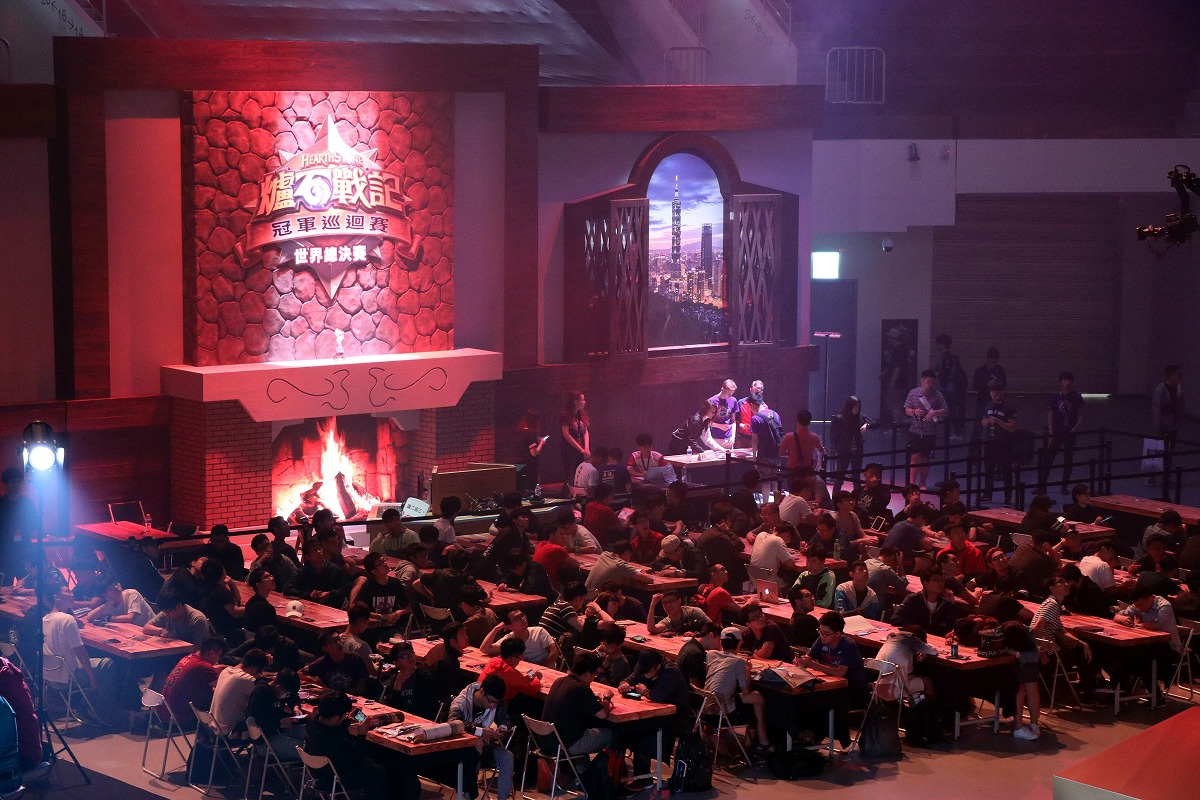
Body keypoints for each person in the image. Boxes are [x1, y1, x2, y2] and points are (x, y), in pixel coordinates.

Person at [796, 612, 869, 747]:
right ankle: (807, 734)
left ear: (837, 634)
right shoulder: (821, 640)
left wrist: (813, 665)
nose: (822, 636)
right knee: (804, 697)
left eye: (826, 633)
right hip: (832, 687)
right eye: (820, 631)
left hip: (853, 691)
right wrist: (801, 662)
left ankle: (819, 736)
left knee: (820, 702)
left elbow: (840, 672)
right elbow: (809, 658)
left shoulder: (848, 645)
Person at [304, 692, 392, 800]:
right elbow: (355, 760)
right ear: (335, 717)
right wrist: (361, 734)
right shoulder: (332, 740)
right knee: (378, 771)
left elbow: (332, 729)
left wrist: (345, 722)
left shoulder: (312, 722)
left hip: (317, 772)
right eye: (343, 715)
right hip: (334, 778)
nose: (344, 717)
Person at [619, 651, 692, 775]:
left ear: (657, 667)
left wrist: (644, 691)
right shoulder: (644, 667)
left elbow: (658, 695)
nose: (644, 674)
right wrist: (624, 685)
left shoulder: (670, 671)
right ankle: (619, 770)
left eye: (647, 672)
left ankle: (642, 775)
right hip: (652, 713)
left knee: (639, 731)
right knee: (623, 727)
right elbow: (628, 679)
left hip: (675, 718)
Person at [705, 627, 770, 754]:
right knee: (757, 697)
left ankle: (756, 741)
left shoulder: (711, 654)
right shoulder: (739, 662)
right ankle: (762, 741)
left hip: (704, 708)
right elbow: (746, 691)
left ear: (721, 642)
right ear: (739, 643)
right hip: (721, 712)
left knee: (750, 697)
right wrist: (746, 670)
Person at [449, 675, 515, 800]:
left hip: (482, 747)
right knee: (477, 744)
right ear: (482, 692)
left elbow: (505, 720)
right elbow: (453, 724)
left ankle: (503, 798)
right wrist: (480, 732)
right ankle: (469, 795)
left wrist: (503, 728)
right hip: (461, 748)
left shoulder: (494, 700)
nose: (492, 706)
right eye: (491, 701)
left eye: (496, 703)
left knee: (507, 757)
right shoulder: (461, 702)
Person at [1033, 576, 1097, 702]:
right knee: (1084, 654)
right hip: (1049, 655)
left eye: (1066, 582)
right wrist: (1043, 654)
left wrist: (1082, 643)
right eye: (1061, 582)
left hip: (1046, 651)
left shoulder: (1054, 604)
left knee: (1082, 648)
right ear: (1052, 588)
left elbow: (1062, 631)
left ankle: (1088, 689)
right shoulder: (1052, 605)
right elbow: (1036, 629)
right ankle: (1088, 695)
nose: (1066, 584)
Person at [1114, 585, 1182, 700]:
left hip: (1168, 647)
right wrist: (1123, 619)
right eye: (1136, 605)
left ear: (1151, 598)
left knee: (1141, 658)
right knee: (1123, 652)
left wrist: (1138, 625)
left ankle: (1153, 695)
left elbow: (1154, 625)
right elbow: (1117, 616)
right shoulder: (1139, 604)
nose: (1139, 608)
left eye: (1140, 605)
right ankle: (1124, 687)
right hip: (1148, 644)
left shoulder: (1164, 606)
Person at [541, 651, 614, 756]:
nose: (594, 678)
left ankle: (581, 764)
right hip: (567, 744)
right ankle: (601, 765)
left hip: (546, 740)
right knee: (612, 734)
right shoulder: (581, 688)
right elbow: (602, 714)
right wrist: (607, 698)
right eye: (595, 674)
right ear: (588, 673)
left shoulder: (559, 681)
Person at [161, 636, 228, 728]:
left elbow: (210, 670)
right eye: (219, 655)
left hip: (166, 713)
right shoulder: (203, 667)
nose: (218, 659)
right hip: (181, 719)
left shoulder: (188, 658)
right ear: (212, 653)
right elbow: (224, 688)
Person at [1039, 371, 1085, 495]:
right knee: (1049, 459)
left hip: (1070, 433)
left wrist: (1075, 427)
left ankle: (1064, 486)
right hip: (1057, 432)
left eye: (1069, 380)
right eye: (1064, 380)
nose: (1067, 383)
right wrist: (1051, 431)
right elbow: (1051, 414)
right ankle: (1042, 485)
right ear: (1060, 382)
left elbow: (1081, 414)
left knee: (1068, 459)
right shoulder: (1055, 397)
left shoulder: (1076, 397)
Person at [246, 667, 304, 760]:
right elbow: (255, 722)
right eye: (287, 694)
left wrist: (295, 707)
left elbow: (294, 697)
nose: (287, 696)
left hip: (280, 732)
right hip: (265, 741)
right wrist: (279, 723)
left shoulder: (281, 689)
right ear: (278, 687)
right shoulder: (261, 692)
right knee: (307, 749)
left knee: (310, 734)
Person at [904, 369, 948, 488]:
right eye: (928, 382)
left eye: (933, 382)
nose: (930, 385)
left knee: (925, 458)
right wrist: (914, 411)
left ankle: (922, 482)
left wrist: (934, 413)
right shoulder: (913, 393)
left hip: (930, 431)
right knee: (914, 457)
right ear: (922, 380)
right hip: (915, 430)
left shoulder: (937, 394)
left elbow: (945, 410)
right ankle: (911, 483)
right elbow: (907, 410)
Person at [348, 552, 410, 636]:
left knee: (398, 641)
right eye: (380, 563)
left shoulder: (395, 583)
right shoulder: (368, 586)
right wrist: (381, 616)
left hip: (391, 628)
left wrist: (399, 613)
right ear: (374, 571)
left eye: (384, 560)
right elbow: (358, 610)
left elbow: (408, 607)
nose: (385, 563)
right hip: (370, 629)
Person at [211, 648, 269, 735]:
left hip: (214, 725)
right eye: (260, 672)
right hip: (229, 731)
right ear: (254, 669)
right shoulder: (245, 679)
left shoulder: (226, 671)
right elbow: (267, 695)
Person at [382, 640, 442, 720]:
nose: (410, 658)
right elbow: (392, 708)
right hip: (401, 719)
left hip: (421, 720)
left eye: (411, 653)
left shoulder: (424, 676)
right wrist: (397, 686)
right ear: (396, 662)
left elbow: (428, 708)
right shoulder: (395, 679)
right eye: (405, 656)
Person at [1003, 621, 1042, 741]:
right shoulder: (1002, 632)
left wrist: (1017, 654)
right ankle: (1022, 725)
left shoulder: (1028, 632)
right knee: (1021, 688)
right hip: (1010, 666)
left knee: (1027, 687)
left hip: (1023, 664)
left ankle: (1032, 724)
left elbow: (1035, 657)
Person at [980, 379, 1018, 503]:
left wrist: (998, 421)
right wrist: (986, 422)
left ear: (1001, 392)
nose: (994, 397)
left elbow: (1012, 427)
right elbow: (983, 421)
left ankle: (1008, 498)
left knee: (1006, 471)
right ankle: (987, 494)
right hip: (990, 442)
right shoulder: (988, 405)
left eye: (996, 394)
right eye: (992, 395)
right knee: (988, 469)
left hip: (1004, 443)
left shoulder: (1009, 407)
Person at [891, 573, 962, 637]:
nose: (940, 583)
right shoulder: (913, 599)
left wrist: (952, 602)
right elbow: (895, 619)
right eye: (936, 580)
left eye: (942, 580)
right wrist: (915, 629)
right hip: (914, 638)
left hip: (935, 640)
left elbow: (954, 626)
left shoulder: (945, 603)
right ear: (926, 584)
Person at [480, 609, 558, 666]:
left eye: (522, 615)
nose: (522, 619)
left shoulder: (539, 631)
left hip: (546, 670)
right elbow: (485, 649)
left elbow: (555, 652)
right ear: (510, 626)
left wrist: (540, 667)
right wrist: (496, 629)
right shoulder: (510, 639)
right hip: (526, 672)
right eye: (517, 618)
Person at [301, 630, 369, 695]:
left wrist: (340, 695)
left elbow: (360, 688)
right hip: (330, 698)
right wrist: (315, 679)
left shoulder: (355, 659)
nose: (339, 643)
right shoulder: (322, 662)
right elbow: (300, 673)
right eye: (333, 641)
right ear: (325, 648)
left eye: (339, 639)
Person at [1150, 364, 1184, 492]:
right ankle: (1152, 476)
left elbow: (1180, 406)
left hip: (1173, 425)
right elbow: (1156, 410)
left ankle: (1166, 477)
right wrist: (1157, 427)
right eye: (1177, 374)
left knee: (1169, 453)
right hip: (1163, 426)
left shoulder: (1178, 389)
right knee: (1157, 451)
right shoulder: (1160, 390)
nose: (1180, 376)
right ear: (1170, 375)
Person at [697, 508, 748, 589]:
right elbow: (740, 546)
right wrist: (727, 530)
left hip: (709, 571)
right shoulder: (721, 537)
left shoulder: (707, 532)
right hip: (726, 573)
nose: (730, 522)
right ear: (722, 522)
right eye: (728, 520)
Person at [830, 396, 870, 492]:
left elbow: (874, 422)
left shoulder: (860, 417)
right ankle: (835, 497)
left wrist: (866, 425)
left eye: (858, 407)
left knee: (856, 476)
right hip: (844, 451)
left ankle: (857, 497)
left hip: (857, 450)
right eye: (854, 407)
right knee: (840, 476)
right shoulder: (839, 419)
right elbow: (833, 436)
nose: (856, 409)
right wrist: (836, 449)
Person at [144, 590, 214, 644]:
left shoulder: (197, 619)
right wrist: (161, 630)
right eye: (164, 612)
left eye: (168, 612)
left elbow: (200, 650)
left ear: (179, 606)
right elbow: (146, 627)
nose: (166, 615)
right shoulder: (166, 612)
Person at [1008, 529, 1062, 599]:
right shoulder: (1044, 560)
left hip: (1009, 582)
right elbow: (1059, 566)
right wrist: (1050, 549)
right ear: (1045, 543)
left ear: (1031, 539)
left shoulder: (1021, 546)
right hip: (1027, 591)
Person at [934, 333, 968, 440]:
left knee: (951, 411)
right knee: (950, 410)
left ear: (942, 344)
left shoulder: (946, 357)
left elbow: (944, 373)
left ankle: (957, 433)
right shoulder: (950, 357)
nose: (937, 346)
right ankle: (956, 431)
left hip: (948, 388)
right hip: (951, 388)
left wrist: (937, 374)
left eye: (938, 343)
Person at [584, 539, 651, 592]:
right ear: (627, 552)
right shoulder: (620, 565)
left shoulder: (604, 555)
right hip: (596, 598)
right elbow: (649, 580)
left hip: (584, 594)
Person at [84, 578, 153, 626]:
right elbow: (90, 617)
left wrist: (108, 618)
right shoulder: (110, 602)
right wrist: (106, 604)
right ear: (105, 594)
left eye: (116, 584)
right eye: (112, 587)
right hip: (132, 633)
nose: (117, 587)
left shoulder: (131, 594)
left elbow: (130, 618)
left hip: (150, 632)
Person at [559, 390, 590, 481]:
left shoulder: (581, 415)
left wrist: (586, 448)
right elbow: (566, 434)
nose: (585, 402)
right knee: (570, 477)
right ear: (576, 402)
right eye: (582, 400)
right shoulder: (565, 415)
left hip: (581, 451)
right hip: (569, 451)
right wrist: (580, 449)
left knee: (579, 476)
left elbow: (585, 432)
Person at [972, 347, 1007, 425]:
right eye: (991, 361)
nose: (993, 364)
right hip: (982, 401)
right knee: (979, 423)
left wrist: (999, 383)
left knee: (996, 424)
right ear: (987, 359)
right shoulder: (980, 371)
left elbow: (1004, 384)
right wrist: (986, 385)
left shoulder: (999, 370)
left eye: (995, 361)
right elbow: (975, 386)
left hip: (996, 402)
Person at [515, 408, 546, 492]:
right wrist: (541, 443)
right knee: (530, 489)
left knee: (521, 488)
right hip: (530, 466)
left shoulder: (520, 432)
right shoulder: (531, 433)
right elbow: (534, 453)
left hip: (520, 465)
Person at [707, 379, 740, 449]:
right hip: (716, 438)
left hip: (729, 438)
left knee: (730, 456)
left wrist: (733, 437)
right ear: (722, 389)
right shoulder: (711, 401)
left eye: (732, 394)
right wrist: (719, 426)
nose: (730, 396)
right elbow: (706, 422)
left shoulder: (733, 400)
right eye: (728, 393)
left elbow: (733, 420)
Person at [736, 379, 768, 447]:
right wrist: (740, 425)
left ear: (762, 393)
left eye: (758, 393)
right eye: (755, 391)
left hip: (758, 439)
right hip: (742, 438)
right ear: (751, 390)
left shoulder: (764, 407)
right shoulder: (741, 403)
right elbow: (734, 419)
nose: (756, 395)